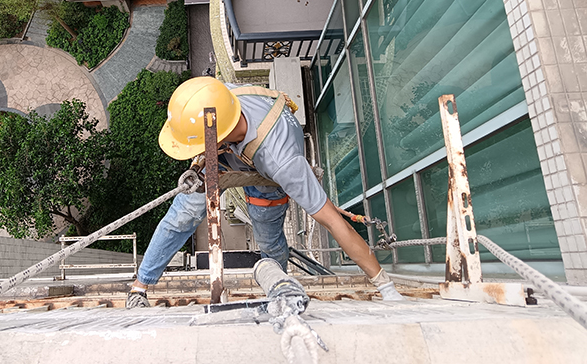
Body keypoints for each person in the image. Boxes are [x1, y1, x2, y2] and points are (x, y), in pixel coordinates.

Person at [125, 77, 403, 308]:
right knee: (183, 214)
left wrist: (384, 285)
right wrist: (201, 162)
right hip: (223, 156)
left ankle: (278, 281)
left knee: (269, 241)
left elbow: (333, 222)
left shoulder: (283, 161)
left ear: (217, 134)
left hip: (266, 179)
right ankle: (139, 288)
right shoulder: (220, 97)